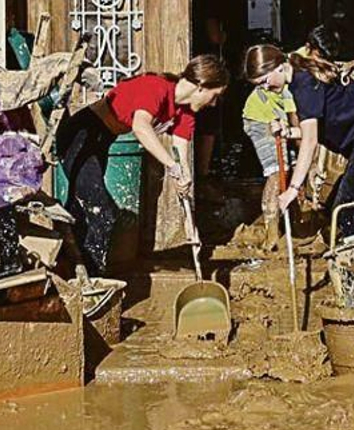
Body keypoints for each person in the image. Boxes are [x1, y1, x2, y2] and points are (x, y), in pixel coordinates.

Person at [54, 55, 229, 275]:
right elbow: (141, 127)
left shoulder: (185, 113)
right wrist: (171, 166)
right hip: (82, 134)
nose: (213, 104)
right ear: (202, 86)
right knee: (101, 211)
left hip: (103, 140)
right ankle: (91, 280)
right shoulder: (156, 87)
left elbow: (181, 155)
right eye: (215, 96)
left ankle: (79, 274)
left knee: (90, 208)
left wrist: (188, 212)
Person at [243, 44, 354, 239]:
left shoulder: (304, 86)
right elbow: (312, 130)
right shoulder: (299, 77)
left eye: (265, 81)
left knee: (345, 211)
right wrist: (288, 132)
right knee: (353, 205)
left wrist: (293, 189)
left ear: (279, 67)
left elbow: (310, 141)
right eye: (259, 85)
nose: (265, 88)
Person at [241, 75, 300, 249]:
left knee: (294, 168)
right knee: (276, 172)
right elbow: (293, 117)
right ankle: (272, 233)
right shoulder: (291, 83)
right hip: (260, 119)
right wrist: (303, 148)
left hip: (280, 120)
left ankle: (295, 225)